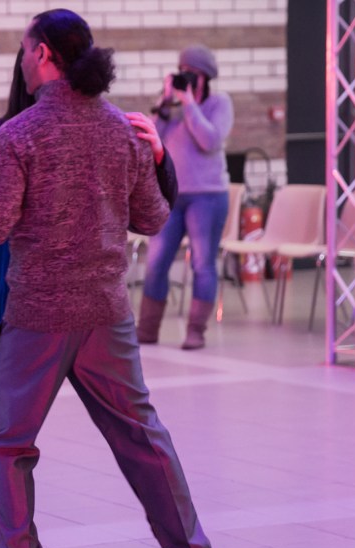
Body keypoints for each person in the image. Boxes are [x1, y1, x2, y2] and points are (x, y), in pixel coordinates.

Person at [0, 9, 213, 548]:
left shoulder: (19, 134)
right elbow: (153, 219)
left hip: (38, 317)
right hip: (107, 313)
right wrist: (154, 159)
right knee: (141, 435)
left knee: (8, 445)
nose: (21, 61)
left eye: (24, 50)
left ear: (43, 54)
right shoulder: (121, 128)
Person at [137, 44, 234, 349]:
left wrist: (190, 104)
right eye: (182, 71)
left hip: (208, 196)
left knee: (202, 264)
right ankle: (147, 329)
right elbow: (148, 138)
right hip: (172, 196)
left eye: (192, 73)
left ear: (206, 77)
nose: (187, 78)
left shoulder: (219, 103)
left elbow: (209, 140)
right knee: (156, 263)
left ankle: (196, 331)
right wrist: (164, 102)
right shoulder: (172, 108)